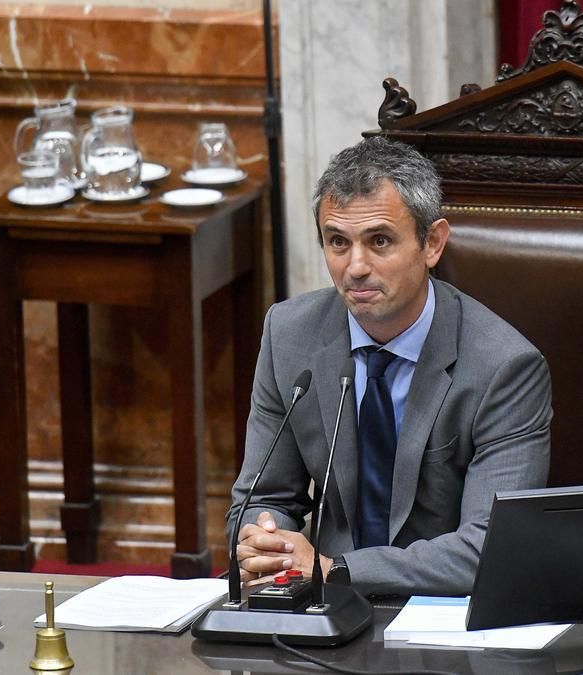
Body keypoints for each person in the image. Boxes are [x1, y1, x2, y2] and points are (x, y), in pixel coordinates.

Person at [227, 136, 552, 596]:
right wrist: (267, 540)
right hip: (317, 606)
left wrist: (332, 567)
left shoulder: (505, 366)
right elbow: (262, 497)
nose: (355, 267)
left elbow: (489, 548)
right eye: (337, 242)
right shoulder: (288, 335)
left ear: (432, 243)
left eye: (379, 241)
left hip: (442, 613)